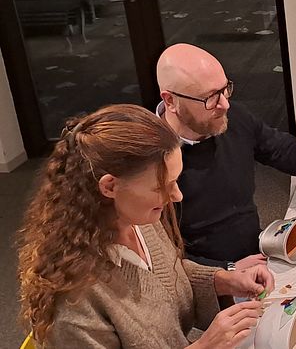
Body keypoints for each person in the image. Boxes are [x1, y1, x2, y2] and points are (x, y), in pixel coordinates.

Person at [17, 104, 275, 348]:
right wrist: (205, 346)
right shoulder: (74, 302)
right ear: (109, 186)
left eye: (176, 181)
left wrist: (223, 280)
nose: (177, 196)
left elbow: (165, 278)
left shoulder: (140, 219)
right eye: (161, 186)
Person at [156, 43, 296, 269]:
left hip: (255, 251)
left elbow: (278, 147)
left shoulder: (230, 117)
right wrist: (226, 270)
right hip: (205, 277)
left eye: (225, 88)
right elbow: (161, 256)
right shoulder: (149, 158)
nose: (225, 104)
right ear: (171, 101)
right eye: (210, 97)